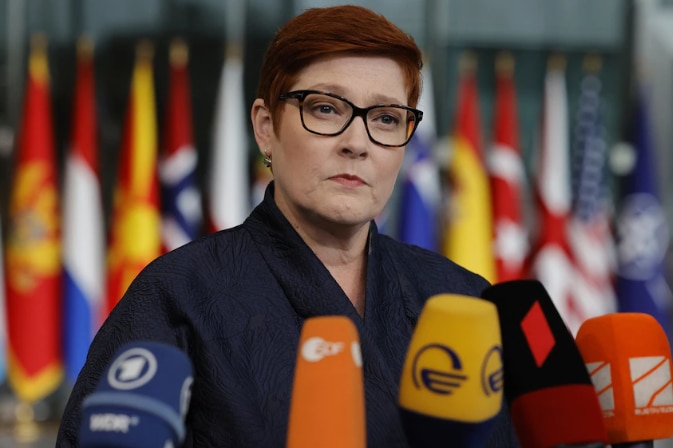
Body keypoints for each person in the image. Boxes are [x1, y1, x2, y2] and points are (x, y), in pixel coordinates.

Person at [57, 5, 520, 447]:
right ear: (265, 127)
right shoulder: (178, 295)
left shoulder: (462, 300)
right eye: (326, 109)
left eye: (385, 118)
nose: (357, 143)